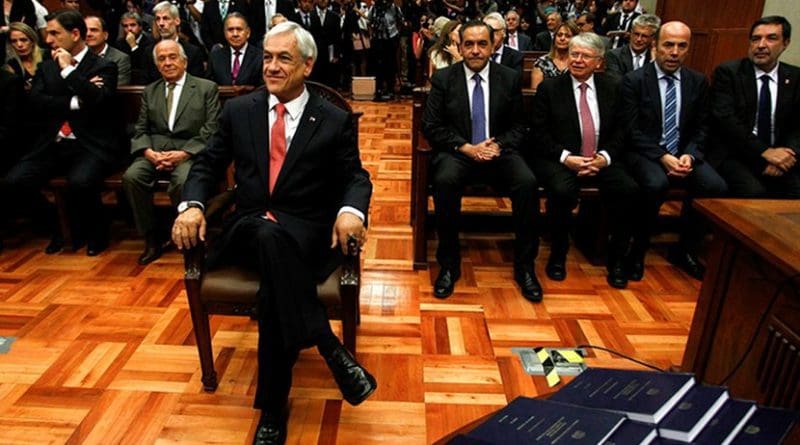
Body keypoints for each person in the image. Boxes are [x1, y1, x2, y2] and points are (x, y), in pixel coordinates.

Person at [172, 21, 376, 445]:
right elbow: (207, 165)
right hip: (248, 228)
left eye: (283, 58)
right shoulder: (239, 112)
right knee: (265, 235)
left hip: (305, 233)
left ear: (307, 64)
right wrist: (191, 204)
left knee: (275, 290)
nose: (271, 66)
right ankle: (329, 347)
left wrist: (352, 211)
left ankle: (272, 410)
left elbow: (355, 177)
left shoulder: (333, 119)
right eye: (267, 57)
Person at [422, 20, 541, 302]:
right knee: (444, 181)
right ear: (460, 47)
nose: (475, 50)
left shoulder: (509, 77)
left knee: (527, 183)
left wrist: (498, 145)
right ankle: (449, 265)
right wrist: (466, 148)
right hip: (459, 151)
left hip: (498, 150)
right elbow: (432, 125)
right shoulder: (444, 78)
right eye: (469, 44)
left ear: (493, 45)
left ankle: (525, 267)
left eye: (482, 44)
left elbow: (519, 126)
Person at [6, 9, 120, 255]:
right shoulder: (47, 67)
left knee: (80, 181)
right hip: (53, 142)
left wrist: (69, 71)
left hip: (90, 144)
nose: (48, 40)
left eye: (55, 34)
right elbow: (36, 102)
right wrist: (76, 101)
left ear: (75, 34)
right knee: (16, 180)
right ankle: (59, 227)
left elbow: (99, 100)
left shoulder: (104, 65)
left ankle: (96, 233)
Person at [622, 21, 727, 282]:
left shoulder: (698, 81)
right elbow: (630, 129)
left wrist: (689, 155)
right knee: (655, 184)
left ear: (688, 49)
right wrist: (662, 156)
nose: (674, 52)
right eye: (668, 45)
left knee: (715, 186)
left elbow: (704, 126)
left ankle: (686, 249)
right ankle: (637, 250)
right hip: (646, 153)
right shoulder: (634, 80)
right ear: (655, 46)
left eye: (682, 46)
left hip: (683, 153)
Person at [532, 32, 639, 289]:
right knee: (560, 190)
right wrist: (567, 158)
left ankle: (616, 259)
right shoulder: (550, 88)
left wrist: (605, 157)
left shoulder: (613, 87)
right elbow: (538, 132)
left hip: (601, 159)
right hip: (563, 159)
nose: (578, 60)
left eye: (585, 56)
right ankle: (558, 254)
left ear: (599, 62)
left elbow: (624, 130)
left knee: (630, 190)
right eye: (574, 54)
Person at [123, 40, 219, 265]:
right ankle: (152, 238)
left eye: (172, 57)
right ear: (157, 65)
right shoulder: (151, 90)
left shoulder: (206, 88)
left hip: (190, 152)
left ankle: (188, 237)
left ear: (184, 61)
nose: (167, 63)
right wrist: (147, 152)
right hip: (155, 152)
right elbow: (141, 128)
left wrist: (184, 153)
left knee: (183, 181)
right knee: (132, 177)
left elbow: (212, 129)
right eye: (162, 59)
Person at [710, 16, 800, 198]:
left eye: (771, 38)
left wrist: (789, 155)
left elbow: (798, 124)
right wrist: (764, 153)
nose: (761, 45)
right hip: (737, 154)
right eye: (755, 39)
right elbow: (727, 122)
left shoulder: (795, 77)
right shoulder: (729, 73)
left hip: (781, 157)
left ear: (786, 43)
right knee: (754, 192)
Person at [131, 1, 206, 84]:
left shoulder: (193, 52)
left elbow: (197, 86)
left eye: (166, 18)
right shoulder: (149, 52)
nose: (161, 23)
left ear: (177, 21)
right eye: (158, 19)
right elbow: (144, 85)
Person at [206, 13, 263, 87]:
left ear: (248, 32)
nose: (235, 34)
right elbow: (209, 87)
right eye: (230, 30)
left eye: (239, 29)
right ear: (225, 33)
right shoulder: (215, 56)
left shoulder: (260, 57)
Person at [604, 13, 658, 79]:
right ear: (631, 33)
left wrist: (653, 61)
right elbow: (617, 84)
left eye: (644, 36)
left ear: (653, 38)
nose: (639, 39)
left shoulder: (655, 59)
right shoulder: (614, 55)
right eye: (636, 34)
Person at [85, 16, 132, 85]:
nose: (88, 34)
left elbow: (120, 85)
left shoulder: (120, 58)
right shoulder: (78, 56)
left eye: (94, 30)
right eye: (85, 30)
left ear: (105, 35)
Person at [531, 21, 578, 90]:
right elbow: (535, 92)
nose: (562, 38)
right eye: (559, 35)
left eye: (567, 36)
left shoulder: (578, 61)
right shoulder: (541, 62)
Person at [3, 22, 44, 89]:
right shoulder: (11, 66)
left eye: (23, 40)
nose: (19, 45)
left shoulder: (47, 56)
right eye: (14, 41)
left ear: (32, 41)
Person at [483, 12, 522, 78]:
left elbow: (514, 83)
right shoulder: (478, 54)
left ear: (503, 32)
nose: (490, 36)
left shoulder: (515, 56)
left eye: (493, 31)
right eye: (486, 31)